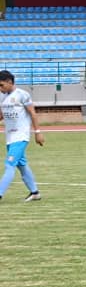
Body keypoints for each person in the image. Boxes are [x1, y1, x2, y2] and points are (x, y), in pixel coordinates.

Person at [0, 70, 44, 202]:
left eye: (1, 85)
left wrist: (38, 133)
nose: (0, 88)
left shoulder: (22, 95)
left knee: (9, 164)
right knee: (22, 165)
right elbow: (2, 115)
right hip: (10, 137)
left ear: (9, 82)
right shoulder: (3, 97)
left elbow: (33, 113)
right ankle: (35, 192)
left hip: (21, 136)